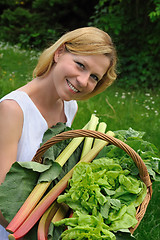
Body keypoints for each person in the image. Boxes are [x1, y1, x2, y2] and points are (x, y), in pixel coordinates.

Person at [0, 26, 117, 239]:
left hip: (39, 221)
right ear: (59, 52)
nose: (83, 81)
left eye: (94, 77)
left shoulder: (69, 107)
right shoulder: (12, 110)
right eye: (80, 65)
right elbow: (1, 202)